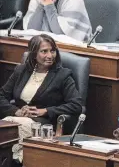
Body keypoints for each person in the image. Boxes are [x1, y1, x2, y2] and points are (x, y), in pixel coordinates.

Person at [0, 34, 82, 165]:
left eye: (52, 51)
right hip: (14, 119)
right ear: (33, 54)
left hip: (42, 125)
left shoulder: (63, 76)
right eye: (44, 51)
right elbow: (2, 96)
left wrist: (45, 111)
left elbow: (77, 104)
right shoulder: (21, 71)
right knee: (6, 133)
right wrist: (16, 111)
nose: (50, 55)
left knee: (7, 136)